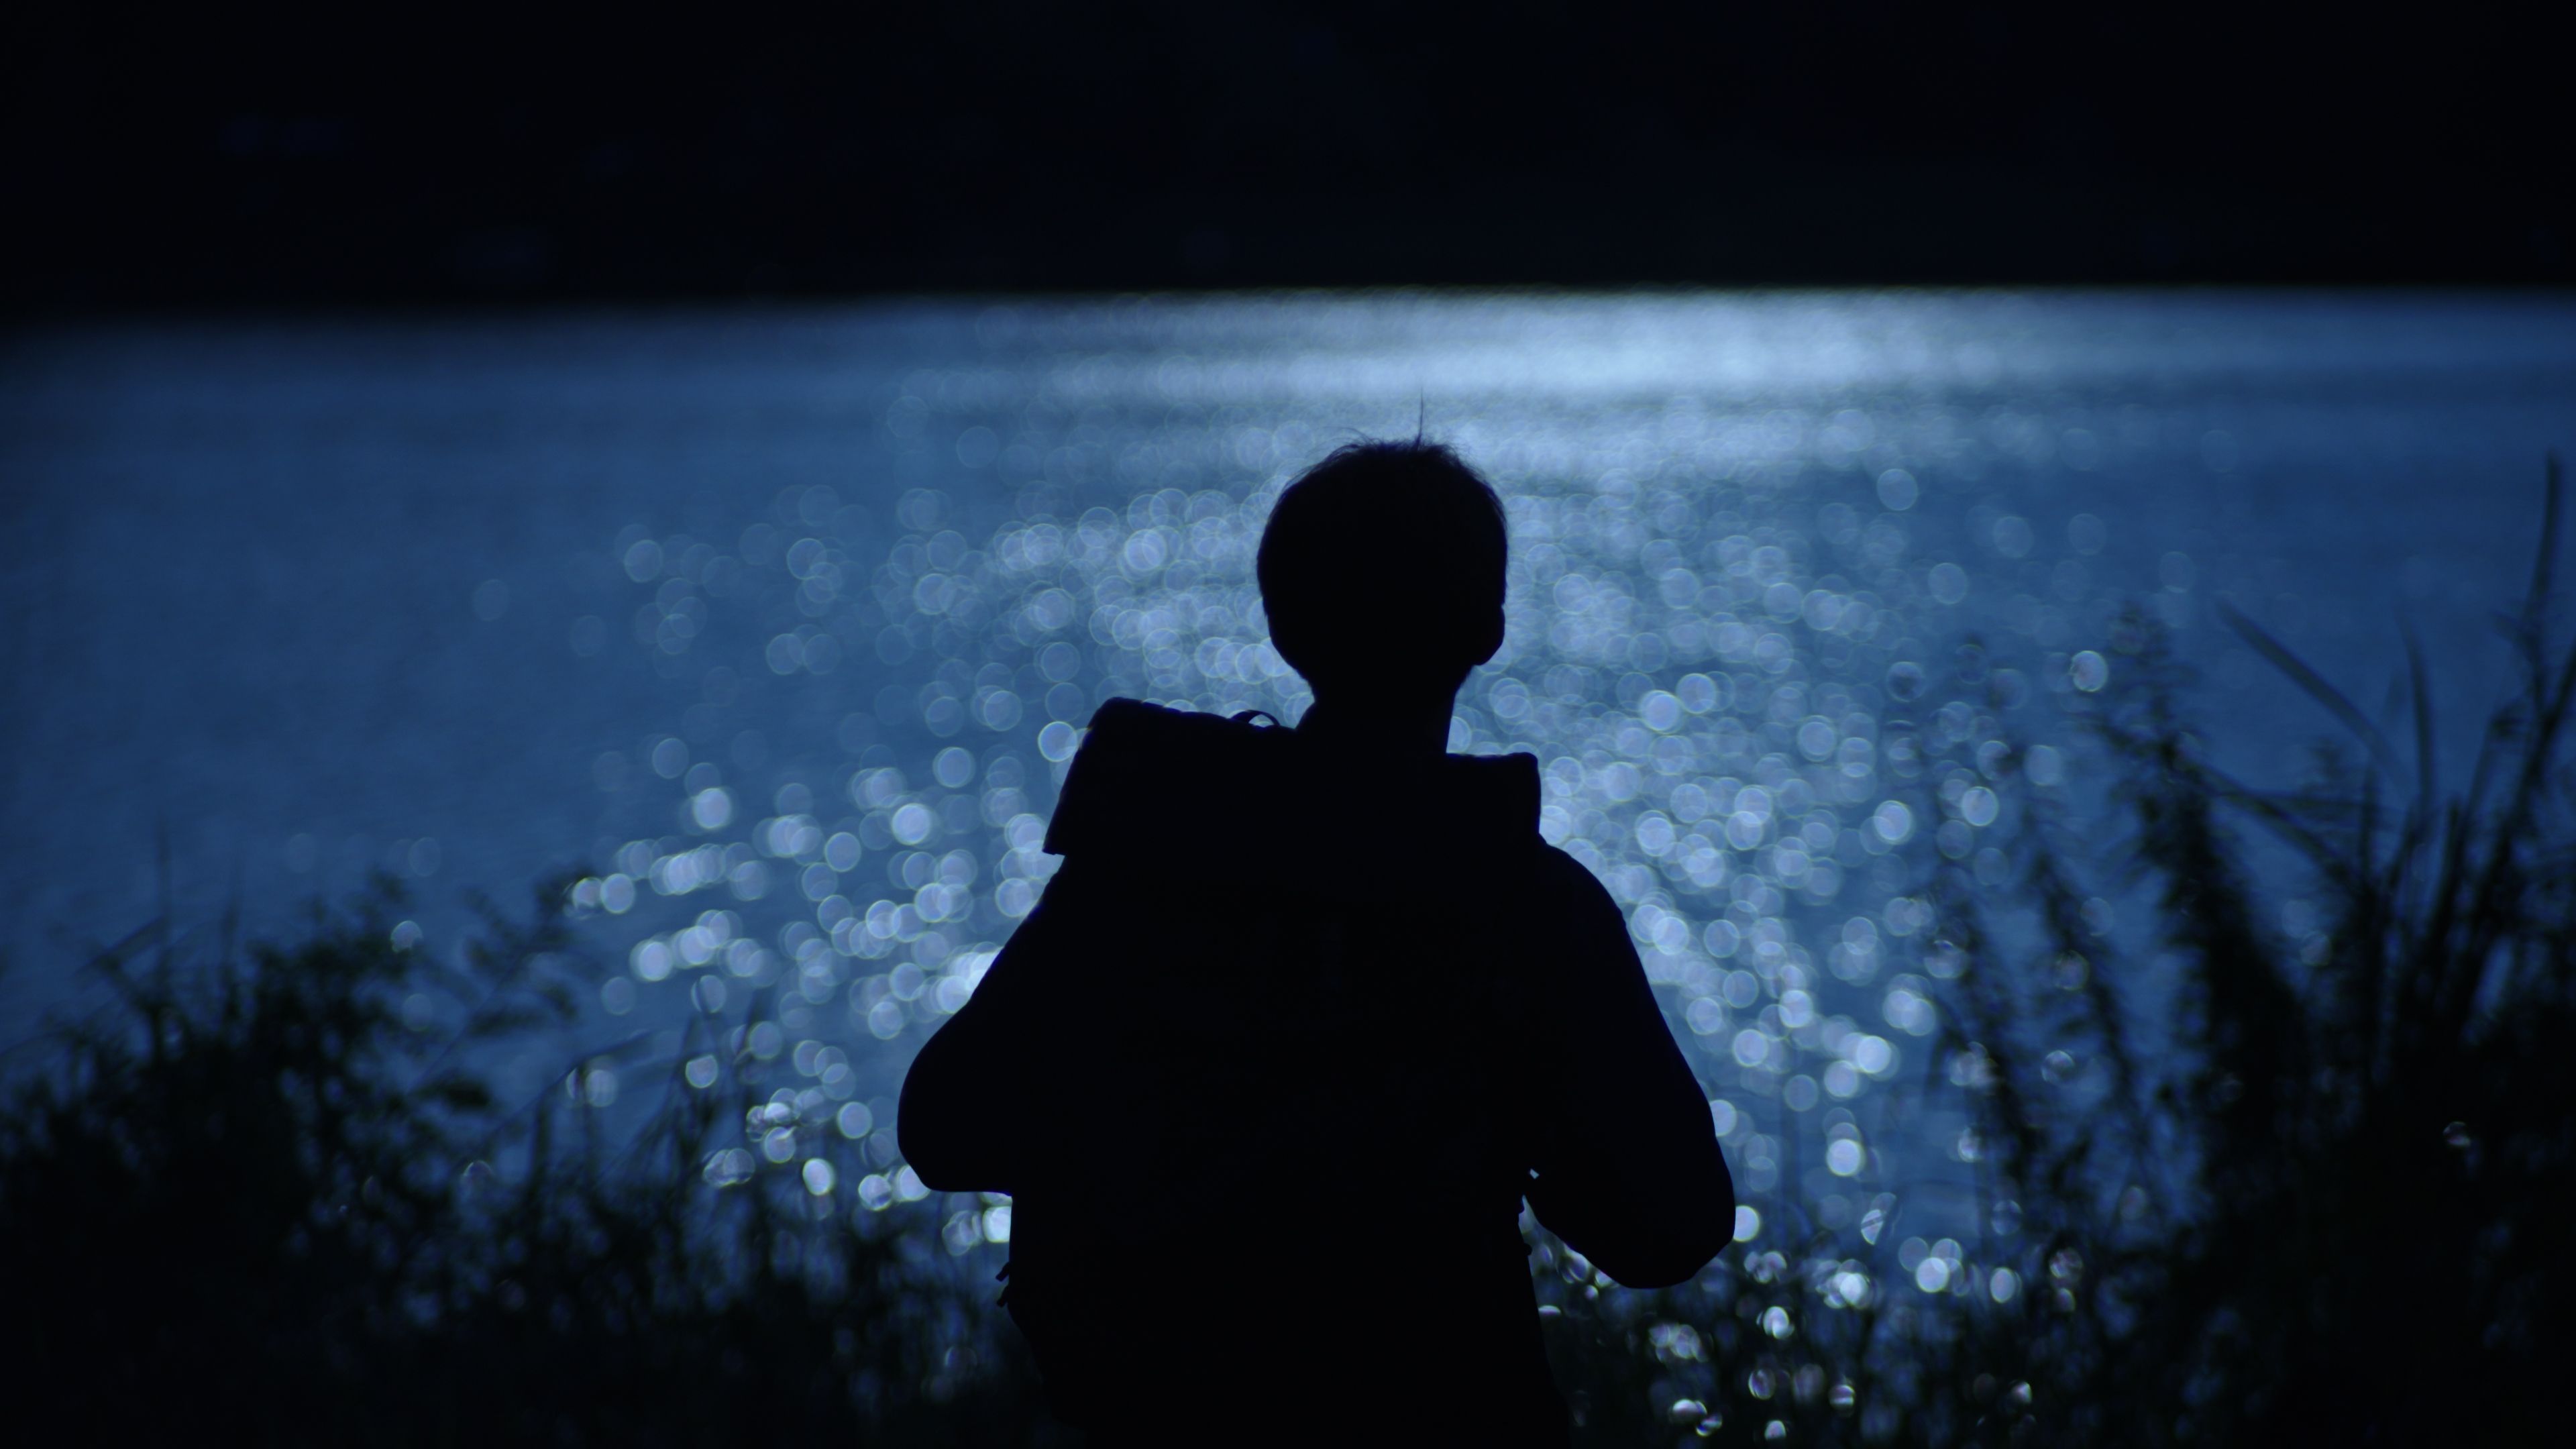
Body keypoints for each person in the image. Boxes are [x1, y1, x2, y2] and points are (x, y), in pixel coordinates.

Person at [900, 439, 1734, 1444]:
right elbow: (1675, 1223)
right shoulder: (1532, 908)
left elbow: (945, 1126)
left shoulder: (1142, 868)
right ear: (1487, 627)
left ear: (1283, 625)